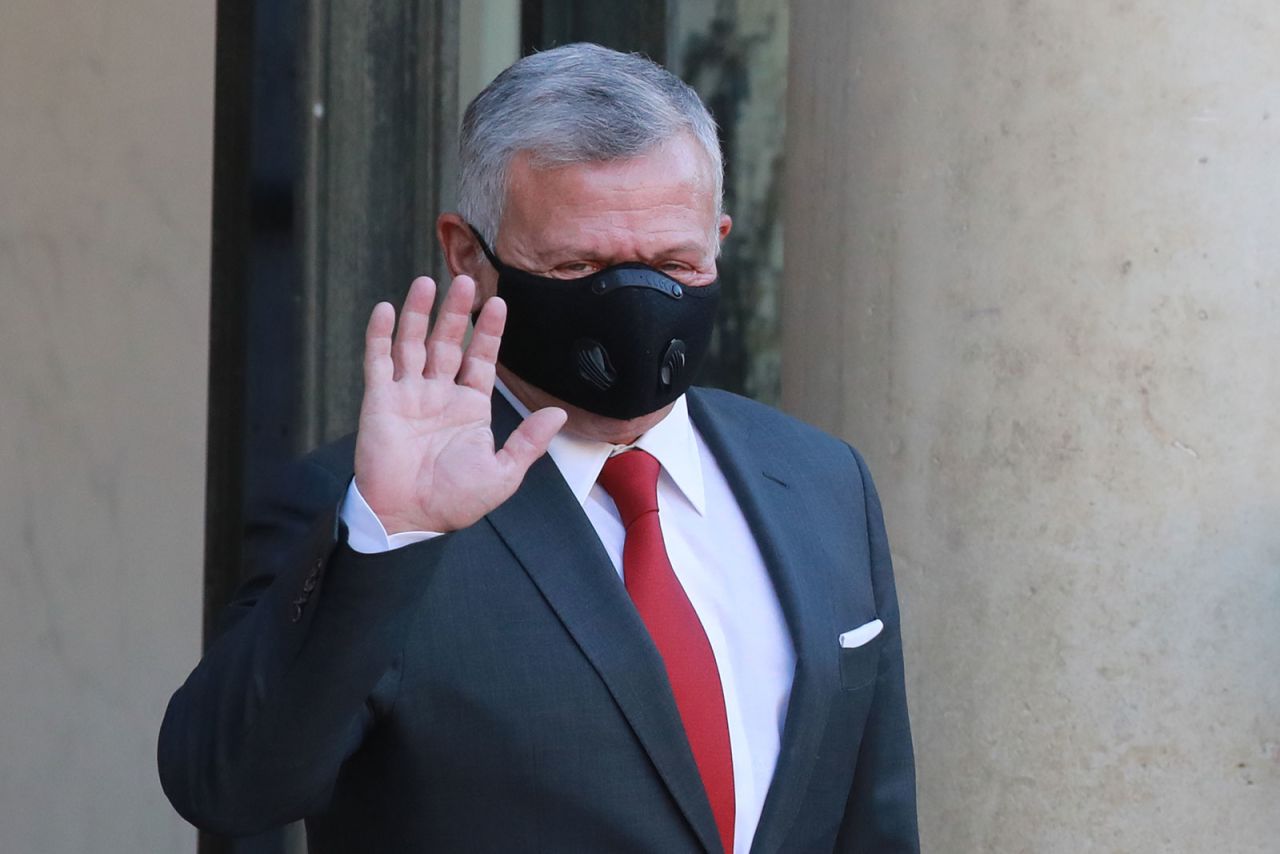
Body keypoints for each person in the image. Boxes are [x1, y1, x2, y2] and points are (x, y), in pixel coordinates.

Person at [159, 43, 918, 853]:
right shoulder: (366, 510)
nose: (636, 302)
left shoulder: (819, 479)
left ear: (719, 241)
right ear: (466, 255)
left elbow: (874, 820)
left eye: (673, 263)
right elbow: (230, 784)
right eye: (578, 264)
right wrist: (387, 539)